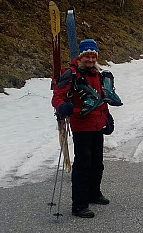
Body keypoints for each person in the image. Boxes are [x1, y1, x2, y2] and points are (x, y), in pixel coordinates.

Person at [52, 39, 119, 218]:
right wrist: (61, 107)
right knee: (83, 164)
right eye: (87, 56)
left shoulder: (97, 74)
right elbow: (57, 95)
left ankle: (94, 194)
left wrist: (107, 117)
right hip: (81, 124)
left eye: (93, 56)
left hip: (97, 123)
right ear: (80, 56)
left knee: (97, 163)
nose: (90, 59)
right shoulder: (71, 74)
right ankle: (79, 205)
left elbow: (101, 99)